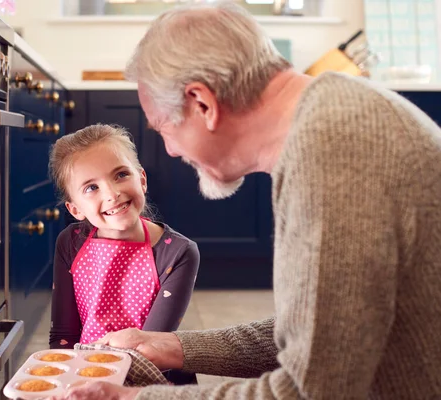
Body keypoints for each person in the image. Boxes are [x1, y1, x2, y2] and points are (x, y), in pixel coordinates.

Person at [51, 2, 441, 400]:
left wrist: (135, 397)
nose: (168, 150)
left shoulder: (334, 153)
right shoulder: (330, 118)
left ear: (202, 104)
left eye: (164, 128)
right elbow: (314, 330)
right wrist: (177, 347)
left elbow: (311, 391)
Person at [47, 124, 200, 381]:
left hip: (150, 380)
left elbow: (150, 349)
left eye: (120, 175)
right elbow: (64, 335)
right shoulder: (69, 243)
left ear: (142, 179)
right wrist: (64, 383)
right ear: (75, 209)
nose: (112, 193)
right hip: (85, 373)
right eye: (91, 188)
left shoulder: (178, 253)